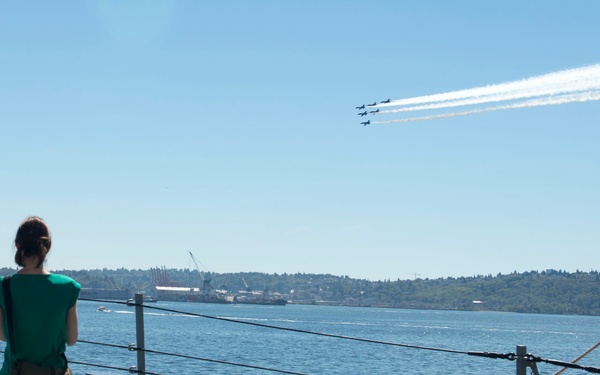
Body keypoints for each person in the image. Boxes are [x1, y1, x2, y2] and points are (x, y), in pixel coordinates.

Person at [0, 216, 80, 374]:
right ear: (48, 246)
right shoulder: (67, 287)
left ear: (17, 245)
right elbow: (71, 339)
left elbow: (2, 336)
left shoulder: (3, 285)